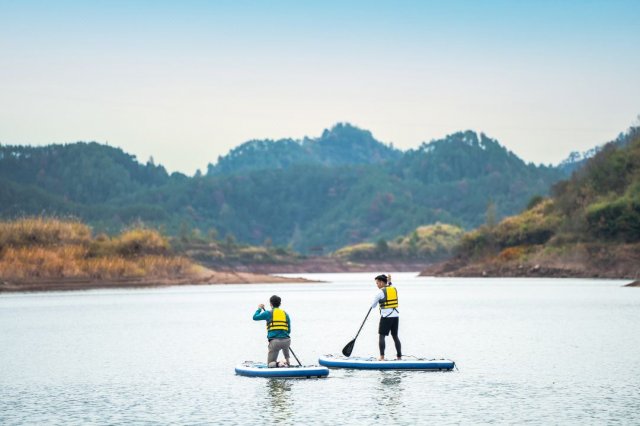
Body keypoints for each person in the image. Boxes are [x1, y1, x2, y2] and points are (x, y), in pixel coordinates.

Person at [252, 294, 291, 368]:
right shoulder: (285, 314)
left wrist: (259, 309)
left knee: (270, 365)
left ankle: (279, 364)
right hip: (287, 341)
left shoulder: (268, 313)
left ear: (270, 304)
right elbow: (289, 330)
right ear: (280, 304)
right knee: (285, 347)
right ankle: (287, 362)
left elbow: (255, 317)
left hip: (275, 342)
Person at [371, 274, 401, 360]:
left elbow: (373, 305)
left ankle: (382, 357)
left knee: (381, 336)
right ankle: (399, 357)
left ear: (381, 282)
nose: (377, 285)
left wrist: (378, 301)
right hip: (395, 316)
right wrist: (389, 281)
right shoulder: (394, 289)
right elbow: (390, 285)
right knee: (395, 336)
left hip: (386, 317)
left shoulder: (380, 292)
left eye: (377, 283)